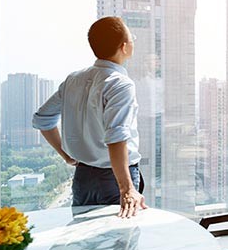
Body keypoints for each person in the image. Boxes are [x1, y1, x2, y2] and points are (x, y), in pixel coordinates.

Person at [32, 16, 147, 218]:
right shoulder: (120, 83)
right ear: (124, 47)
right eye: (132, 38)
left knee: (83, 243)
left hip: (83, 178)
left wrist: (66, 155)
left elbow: (43, 119)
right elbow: (117, 137)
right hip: (114, 180)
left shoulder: (74, 79)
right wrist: (127, 188)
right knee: (120, 245)